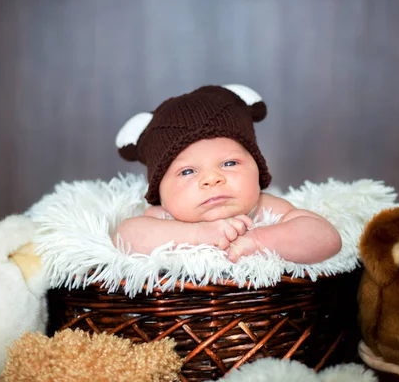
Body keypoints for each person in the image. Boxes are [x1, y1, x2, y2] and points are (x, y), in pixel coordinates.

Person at [114, 84, 341, 264]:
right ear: (160, 192)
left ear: (258, 169)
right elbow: (125, 236)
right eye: (187, 171)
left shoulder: (262, 209)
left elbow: (327, 239)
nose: (212, 179)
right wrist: (197, 235)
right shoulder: (164, 216)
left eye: (229, 163)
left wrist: (259, 240)